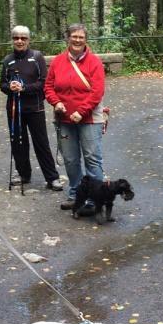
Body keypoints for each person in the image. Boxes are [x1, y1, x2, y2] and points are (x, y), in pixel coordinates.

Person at [44, 23, 106, 214]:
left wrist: (82, 110)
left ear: (85, 39)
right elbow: (48, 87)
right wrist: (56, 103)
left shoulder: (94, 62)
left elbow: (97, 91)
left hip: (89, 119)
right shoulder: (58, 61)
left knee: (92, 160)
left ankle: (96, 198)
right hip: (64, 119)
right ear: (68, 38)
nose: (77, 40)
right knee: (70, 159)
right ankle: (75, 194)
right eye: (74, 36)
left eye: (81, 37)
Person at [0, 25, 63, 190]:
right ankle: (23, 174)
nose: (19, 41)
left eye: (23, 38)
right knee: (18, 143)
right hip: (14, 109)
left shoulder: (37, 56)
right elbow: (2, 84)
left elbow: (44, 83)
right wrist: (10, 86)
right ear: (12, 39)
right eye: (16, 38)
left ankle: (52, 178)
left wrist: (24, 88)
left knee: (41, 143)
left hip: (35, 108)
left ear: (28, 40)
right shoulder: (8, 60)